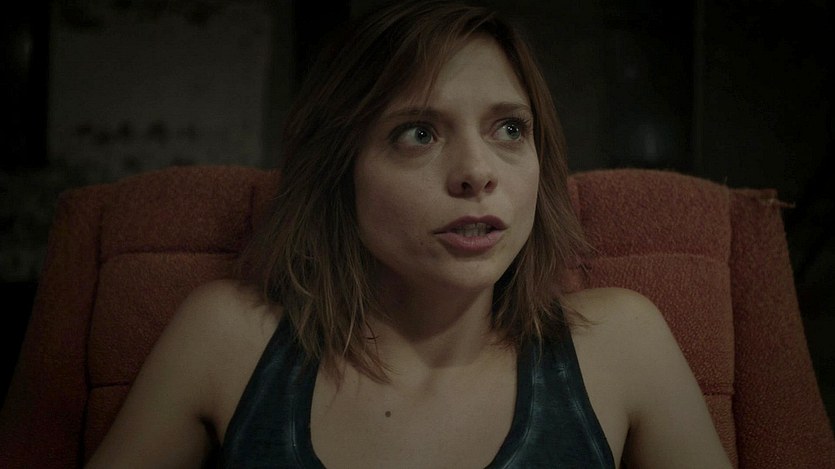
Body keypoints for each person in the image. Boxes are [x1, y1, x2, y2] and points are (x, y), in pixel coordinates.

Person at [87, 1, 732, 467]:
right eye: (419, 133)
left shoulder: (622, 344)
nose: (478, 172)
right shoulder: (226, 338)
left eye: (509, 129)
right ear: (339, 172)